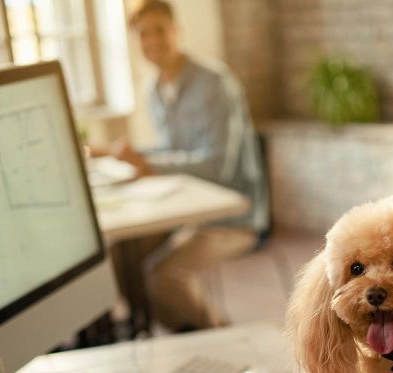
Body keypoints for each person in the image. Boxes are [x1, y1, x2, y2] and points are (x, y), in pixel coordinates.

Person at [99, 0, 268, 332]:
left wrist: (149, 164)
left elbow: (216, 165)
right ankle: (166, 333)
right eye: (142, 34)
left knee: (163, 277)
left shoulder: (214, 83)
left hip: (235, 215)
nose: (152, 41)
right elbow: (174, 150)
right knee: (121, 262)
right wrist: (135, 155)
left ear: (177, 31)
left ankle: (220, 337)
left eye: (159, 30)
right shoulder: (154, 89)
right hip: (188, 209)